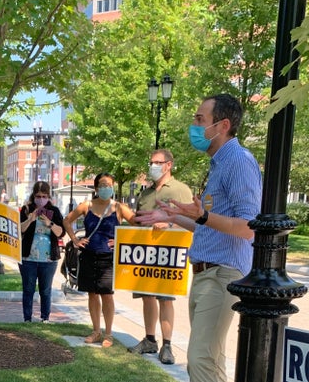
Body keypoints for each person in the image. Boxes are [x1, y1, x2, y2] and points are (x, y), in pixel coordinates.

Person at [136, 94, 262, 382]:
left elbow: (248, 227)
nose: (195, 125)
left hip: (224, 275)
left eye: (200, 118)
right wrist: (175, 217)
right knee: (210, 363)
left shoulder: (239, 162)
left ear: (222, 124)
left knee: (201, 361)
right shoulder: (218, 164)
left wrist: (200, 215)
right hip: (206, 271)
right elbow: (208, 229)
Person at [128, 149, 193, 364]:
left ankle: (167, 345)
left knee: (165, 299)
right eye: (151, 162)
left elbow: (192, 221)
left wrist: (170, 223)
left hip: (168, 255)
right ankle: (149, 340)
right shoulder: (145, 194)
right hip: (146, 253)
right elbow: (137, 221)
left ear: (169, 165)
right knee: (147, 296)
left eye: (157, 162)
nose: (153, 166)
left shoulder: (181, 190)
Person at [63, 173, 135, 347]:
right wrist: (75, 239)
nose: (106, 188)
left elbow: (137, 224)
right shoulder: (86, 206)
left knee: (107, 295)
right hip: (88, 255)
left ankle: (108, 334)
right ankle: (96, 331)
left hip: (108, 258)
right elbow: (67, 220)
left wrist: (121, 240)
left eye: (109, 184)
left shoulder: (119, 207)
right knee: (92, 294)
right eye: (102, 185)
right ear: (96, 188)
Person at [18, 181, 65, 323]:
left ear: (48, 196)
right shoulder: (26, 209)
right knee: (28, 289)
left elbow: (61, 233)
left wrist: (49, 223)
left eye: (44, 196)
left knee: (45, 290)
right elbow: (20, 229)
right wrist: (30, 219)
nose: (41, 199)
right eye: (38, 196)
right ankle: (27, 318)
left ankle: (45, 317)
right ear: (33, 195)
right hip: (28, 258)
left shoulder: (54, 211)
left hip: (48, 259)